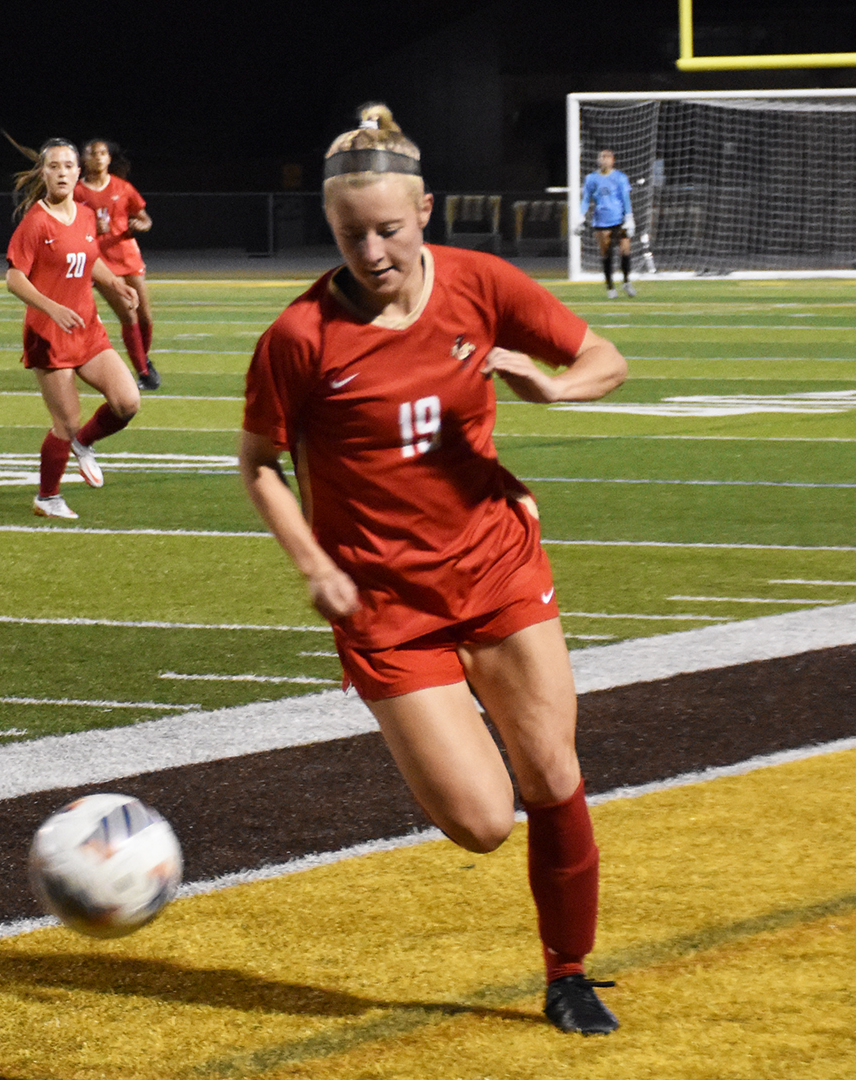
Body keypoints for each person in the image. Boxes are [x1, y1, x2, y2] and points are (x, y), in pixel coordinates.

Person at [239, 104, 630, 1035]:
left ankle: (568, 972)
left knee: (552, 775)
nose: (372, 251)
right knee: (485, 821)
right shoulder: (299, 338)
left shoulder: (482, 284)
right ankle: (439, 728)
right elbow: (257, 462)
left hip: (496, 568)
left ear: (425, 212)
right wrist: (313, 565)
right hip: (384, 605)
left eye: (388, 229)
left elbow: (604, 358)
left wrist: (555, 386)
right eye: (349, 234)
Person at [5, 138, 141, 520]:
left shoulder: (84, 215)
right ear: (44, 173)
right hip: (48, 334)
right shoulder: (36, 221)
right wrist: (51, 307)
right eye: (54, 166)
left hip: (87, 328)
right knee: (64, 422)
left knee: (128, 402)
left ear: (78, 172)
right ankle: (47, 498)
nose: (62, 172)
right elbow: (14, 278)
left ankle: (85, 443)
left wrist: (115, 284)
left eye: (68, 165)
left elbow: (89, 258)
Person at [73, 139, 160, 390]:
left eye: (102, 153)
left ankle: (144, 361)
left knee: (145, 316)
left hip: (128, 257)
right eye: (92, 154)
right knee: (128, 313)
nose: (98, 158)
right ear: (84, 159)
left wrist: (140, 225)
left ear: (109, 159)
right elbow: (69, 223)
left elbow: (145, 218)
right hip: (101, 263)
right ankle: (143, 373)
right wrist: (90, 228)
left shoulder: (122, 187)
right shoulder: (77, 192)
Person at [580, 149, 635, 299]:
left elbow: (625, 198)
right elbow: (586, 199)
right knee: (606, 253)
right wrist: (581, 216)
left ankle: (626, 282)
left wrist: (629, 217)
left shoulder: (620, 177)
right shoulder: (591, 178)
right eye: (602, 157)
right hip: (601, 221)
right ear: (598, 160)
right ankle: (610, 286)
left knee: (625, 250)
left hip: (620, 220)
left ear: (612, 160)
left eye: (607, 157)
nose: (604, 160)